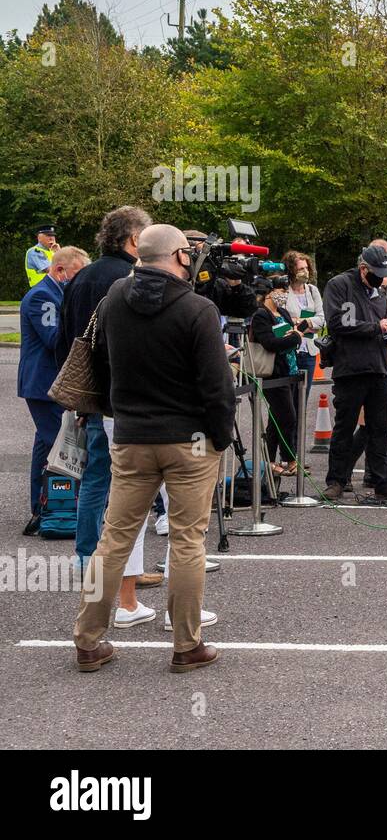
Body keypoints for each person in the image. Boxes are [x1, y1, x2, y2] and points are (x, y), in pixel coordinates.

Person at [72, 225, 237, 674]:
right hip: (189, 440)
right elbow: (216, 385)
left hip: (131, 435)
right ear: (180, 256)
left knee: (114, 539)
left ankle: (87, 640)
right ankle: (186, 644)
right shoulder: (197, 308)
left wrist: (117, 411)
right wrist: (221, 436)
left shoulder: (111, 303)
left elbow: (100, 365)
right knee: (187, 541)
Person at [57, 206, 153, 568]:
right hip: (124, 397)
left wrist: (79, 401)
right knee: (131, 483)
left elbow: (67, 340)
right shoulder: (131, 277)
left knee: (96, 478)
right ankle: (123, 565)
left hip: (92, 394)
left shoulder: (82, 277)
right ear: (133, 239)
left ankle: (87, 556)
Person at [320, 245, 387, 502]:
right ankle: (337, 480)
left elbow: (381, 328)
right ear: (363, 269)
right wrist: (377, 327)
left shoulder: (379, 291)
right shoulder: (339, 285)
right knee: (344, 427)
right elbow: (338, 323)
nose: (382, 278)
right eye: (377, 273)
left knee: (379, 428)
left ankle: (383, 481)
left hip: (379, 366)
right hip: (351, 368)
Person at [19, 246, 89, 533]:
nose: (79, 281)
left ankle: (40, 508)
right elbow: (53, 338)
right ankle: (60, 511)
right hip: (44, 384)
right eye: (77, 274)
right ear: (60, 270)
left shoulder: (56, 294)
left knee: (44, 446)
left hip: (44, 383)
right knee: (61, 447)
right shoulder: (43, 296)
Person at [250, 283, 304, 475]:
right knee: (288, 417)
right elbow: (269, 343)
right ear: (269, 293)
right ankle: (288, 458)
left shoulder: (283, 311)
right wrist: (296, 338)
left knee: (276, 419)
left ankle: (271, 460)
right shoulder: (261, 315)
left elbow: (290, 333)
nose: (284, 294)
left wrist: (296, 333)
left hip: (289, 369)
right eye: (280, 290)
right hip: (272, 373)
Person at [283, 250, 323, 397]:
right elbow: (281, 323)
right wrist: (309, 324)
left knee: (303, 398)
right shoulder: (283, 291)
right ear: (291, 270)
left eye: (306, 268)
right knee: (287, 399)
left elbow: (321, 320)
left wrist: (297, 322)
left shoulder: (312, 290)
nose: (305, 272)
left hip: (309, 352)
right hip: (289, 352)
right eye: (301, 269)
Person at [25, 224, 59, 288]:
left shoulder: (53, 251)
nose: (51, 238)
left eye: (53, 235)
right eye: (48, 235)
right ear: (39, 238)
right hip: (41, 289)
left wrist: (59, 252)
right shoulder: (34, 251)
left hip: (52, 287)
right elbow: (50, 270)